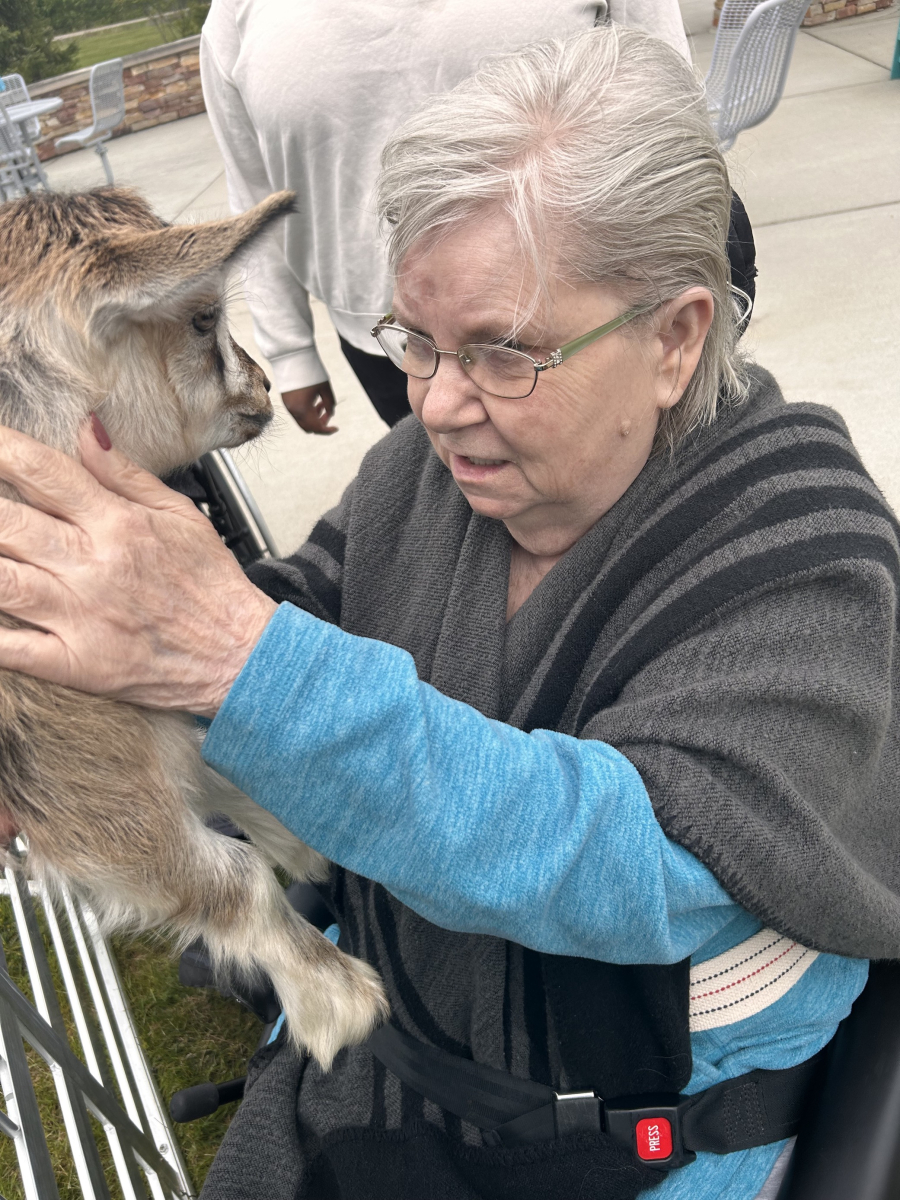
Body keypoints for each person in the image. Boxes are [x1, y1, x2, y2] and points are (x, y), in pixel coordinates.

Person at [0, 25, 897, 1200]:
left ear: (677, 338)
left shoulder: (806, 553)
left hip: (634, 1139)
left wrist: (230, 657)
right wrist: (78, 684)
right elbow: (305, 609)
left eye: (501, 352)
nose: (435, 403)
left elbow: (619, 862)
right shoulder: (424, 478)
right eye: (414, 340)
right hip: (395, 1064)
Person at [199, 0, 691, 434]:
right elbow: (255, 192)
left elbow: (673, 118)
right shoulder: (240, 13)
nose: (440, 411)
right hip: (385, 339)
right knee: (462, 516)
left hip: (581, 329)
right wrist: (291, 356)